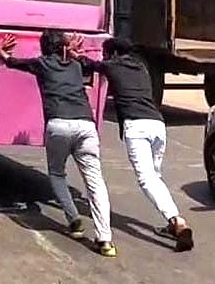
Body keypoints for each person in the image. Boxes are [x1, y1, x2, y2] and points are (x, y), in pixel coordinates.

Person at [67, 35, 194, 252]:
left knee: (146, 179)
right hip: (157, 124)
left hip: (137, 127)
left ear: (113, 54)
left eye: (107, 54)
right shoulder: (141, 67)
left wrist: (73, 53)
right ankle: (171, 222)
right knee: (155, 177)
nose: (105, 58)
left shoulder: (113, 66)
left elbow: (88, 65)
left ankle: (177, 221)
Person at [0, 31, 116, 257]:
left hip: (58, 124)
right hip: (86, 125)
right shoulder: (76, 65)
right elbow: (90, 65)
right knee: (95, 182)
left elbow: (11, 62)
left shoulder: (42, 63)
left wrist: (1, 51)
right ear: (63, 47)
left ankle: (73, 219)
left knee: (57, 173)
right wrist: (73, 54)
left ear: (43, 48)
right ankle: (105, 239)